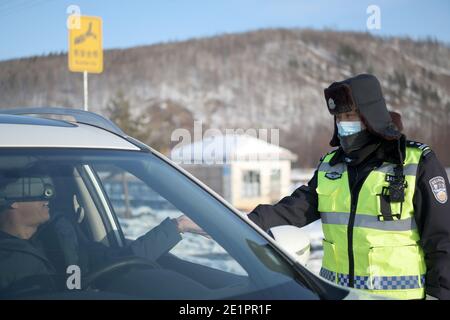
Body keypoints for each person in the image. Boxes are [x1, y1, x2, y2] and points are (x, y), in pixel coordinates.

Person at [248, 74, 450, 300]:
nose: (344, 124)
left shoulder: (416, 163)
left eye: (350, 115)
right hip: (341, 296)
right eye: (339, 117)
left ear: (370, 116)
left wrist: (439, 296)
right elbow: (293, 209)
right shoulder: (330, 166)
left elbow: (442, 241)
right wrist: (240, 221)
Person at [0, 171, 206, 297]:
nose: (47, 196)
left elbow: (123, 260)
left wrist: (177, 226)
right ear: (11, 200)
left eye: (47, 188)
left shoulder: (63, 241)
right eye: (35, 189)